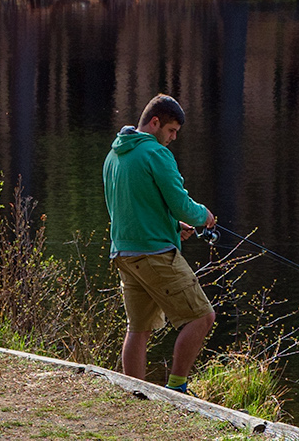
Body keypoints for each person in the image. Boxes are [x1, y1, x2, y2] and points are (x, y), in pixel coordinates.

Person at [103, 93, 217, 395]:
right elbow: (180, 203)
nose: (173, 138)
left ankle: (135, 394)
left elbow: (130, 206)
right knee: (202, 317)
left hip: (124, 253)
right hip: (154, 253)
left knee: (138, 328)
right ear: (155, 123)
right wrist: (201, 215)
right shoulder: (155, 153)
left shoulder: (114, 155)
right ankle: (176, 388)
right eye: (171, 131)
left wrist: (170, 225)